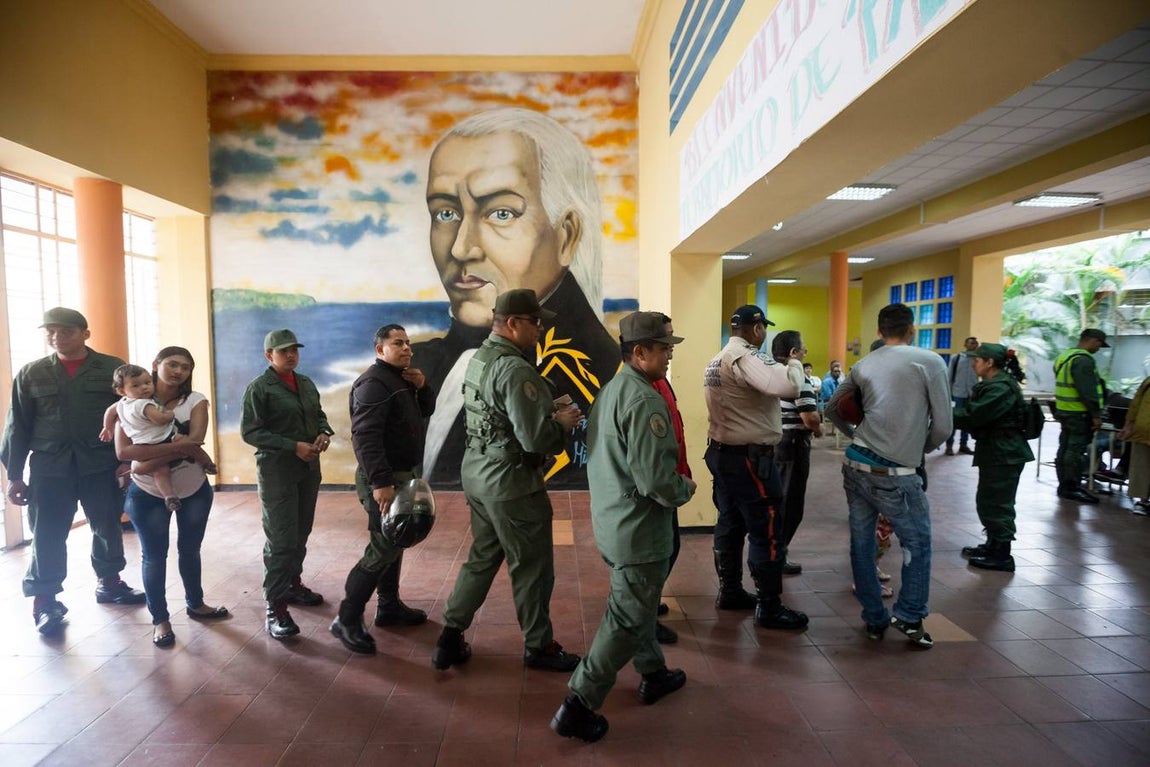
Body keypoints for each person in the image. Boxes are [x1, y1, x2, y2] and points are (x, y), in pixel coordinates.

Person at [415, 108, 619, 490]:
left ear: (567, 236)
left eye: (501, 212)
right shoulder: (430, 363)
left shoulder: (597, 374)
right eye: (445, 212)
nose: (461, 247)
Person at [551, 312, 697, 742]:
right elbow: (656, 481)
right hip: (639, 529)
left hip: (615, 522)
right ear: (640, 352)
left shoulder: (615, 389)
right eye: (665, 347)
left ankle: (653, 672)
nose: (670, 354)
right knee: (627, 617)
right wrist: (684, 489)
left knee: (640, 604)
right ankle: (578, 704)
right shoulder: (646, 400)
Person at [432, 289, 584, 671]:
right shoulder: (516, 368)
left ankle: (449, 636)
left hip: (480, 474)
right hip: (512, 482)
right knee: (532, 568)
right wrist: (561, 423)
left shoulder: (481, 358)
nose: (540, 328)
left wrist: (543, 409)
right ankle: (539, 646)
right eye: (535, 322)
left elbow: (496, 411)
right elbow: (536, 438)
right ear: (514, 323)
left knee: (482, 558)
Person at [1, 307, 146, 635]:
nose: (56, 337)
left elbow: (130, 414)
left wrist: (128, 459)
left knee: (107, 523)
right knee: (47, 533)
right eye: (50, 331)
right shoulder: (32, 373)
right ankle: (45, 601)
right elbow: (17, 427)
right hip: (50, 469)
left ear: (85, 333)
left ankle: (109, 582)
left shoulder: (111, 368)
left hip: (100, 463)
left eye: (65, 331)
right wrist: (13, 475)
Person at [826, 303, 951, 648]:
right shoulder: (929, 362)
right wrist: (917, 449)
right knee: (918, 543)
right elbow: (943, 426)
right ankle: (910, 616)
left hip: (855, 467)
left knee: (862, 543)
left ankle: (874, 618)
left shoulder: (864, 363)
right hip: (896, 472)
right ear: (912, 329)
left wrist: (854, 437)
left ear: (879, 331)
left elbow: (832, 407)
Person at [330, 324, 436, 655]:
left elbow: (423, 413)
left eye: (408, 343)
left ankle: (388, 606)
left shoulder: (400, 380)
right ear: (380, 350)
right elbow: (365, 436)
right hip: (385, 478)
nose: (407, 348)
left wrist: (423, 388)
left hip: (401, 475)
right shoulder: (374, 384)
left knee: (395, 540)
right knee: (382, 547)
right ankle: (346, 618)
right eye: (398, 343)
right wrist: (381, 483)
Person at [703, 305, 807, 630]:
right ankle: (770, 606)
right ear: (757, 328)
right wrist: (795, 362)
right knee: (767, 528)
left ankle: (730, 591)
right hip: (750, 459)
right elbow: (790, 386)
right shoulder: (747, 356)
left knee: (731, 522)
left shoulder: (716, 359)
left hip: (724, 453)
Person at [117, 347, 229, 647]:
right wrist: (178, 449)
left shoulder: (195, 401)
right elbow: (124, 452)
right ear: (156, 365)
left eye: (186, 367)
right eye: (172, 364)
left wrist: (146, 461)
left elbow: (195, 440)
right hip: (146, 492)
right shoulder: (129, 402)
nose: (178, 371)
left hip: (193, 488)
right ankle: (161, 620)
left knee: (190, 550)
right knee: (153, 557)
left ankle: (196, 603)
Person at [241, 329, 334, 640]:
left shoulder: (305, 383)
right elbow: (251, 432)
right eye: (283, 352)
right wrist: (292, 445)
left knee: (300, 532)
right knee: (281, 539)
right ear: (269, 356)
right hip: (277, 471)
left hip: (307, 468)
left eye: (294, 350)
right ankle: (276, 607)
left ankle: (293, 585)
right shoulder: (260, 389)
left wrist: (323, 433)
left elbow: (319, 415)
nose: (291, 355)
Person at [953, 343, 1035, 571]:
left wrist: (940, 413)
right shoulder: (995, 384)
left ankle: (1002, 555)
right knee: (988, 500)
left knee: (998, 503)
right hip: (996, 450)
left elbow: (974, 415)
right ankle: (992, 544)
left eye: (977, 360)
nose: (973, 363)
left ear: (990, 363)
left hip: (1004, 453)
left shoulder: (1000, 388)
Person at [101, 364, 216, 513]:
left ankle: (169, 496)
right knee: (190, 445)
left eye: (147, 383)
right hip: (164, 437)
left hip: (143, 444)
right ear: (122, 390)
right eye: (136, 385)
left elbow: (109, 412)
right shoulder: (145, 404)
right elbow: (160, 419)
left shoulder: (122, 404)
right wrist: (170, 415)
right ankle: (208, 464)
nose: (144, 388)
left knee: (160, 472)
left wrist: (106, 427)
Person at [651, 313, 690, 645]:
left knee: (670, 546)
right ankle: (643, 615)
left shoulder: (659, 380)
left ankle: (646, 605)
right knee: (663, 549)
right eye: (665, 346)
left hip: (671, 480)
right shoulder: (641, 390)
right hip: (658, 488)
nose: (671, 353)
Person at [772, 331, 822, 576]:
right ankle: (777, 556)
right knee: (791, 504)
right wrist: (819, 428)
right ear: (793, 353)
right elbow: (810, 416)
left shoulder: (771, 373)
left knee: (779, 499)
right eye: (803, 350)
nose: (805, 354)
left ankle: (775, 553)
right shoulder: (798, 376)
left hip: (777, 443)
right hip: (793, 445)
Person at [1052, 328, 1109, 504]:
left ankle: (1064, 485)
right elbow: (1087, 391)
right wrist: (1096, 415)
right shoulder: (1083, 360)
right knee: (1075, 450)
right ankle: (1072, 486)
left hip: (1064, 410)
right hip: (1079, 412)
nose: (1099, 349)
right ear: (1094, 341)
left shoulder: (1065, 357)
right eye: (1100, 344)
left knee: (1065, 447)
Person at [1119, 376, 1150, 515]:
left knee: (1142, 466)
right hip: (1143, 429)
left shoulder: (1148, 381)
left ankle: (1142, 503)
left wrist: (1128, 425)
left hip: (1143, 428)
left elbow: (1135, 404)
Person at [945, 336, 979, 455]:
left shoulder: (978, 360)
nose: (974, 345)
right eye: (971, 343)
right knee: (954, 420)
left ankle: (963, 445)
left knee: (967, 420)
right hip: (957, 393)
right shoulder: (957, 358)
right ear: (965, 345)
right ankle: (949, 445)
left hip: (972, 394)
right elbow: (949, 376)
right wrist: (948, 393)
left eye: (975, 343)